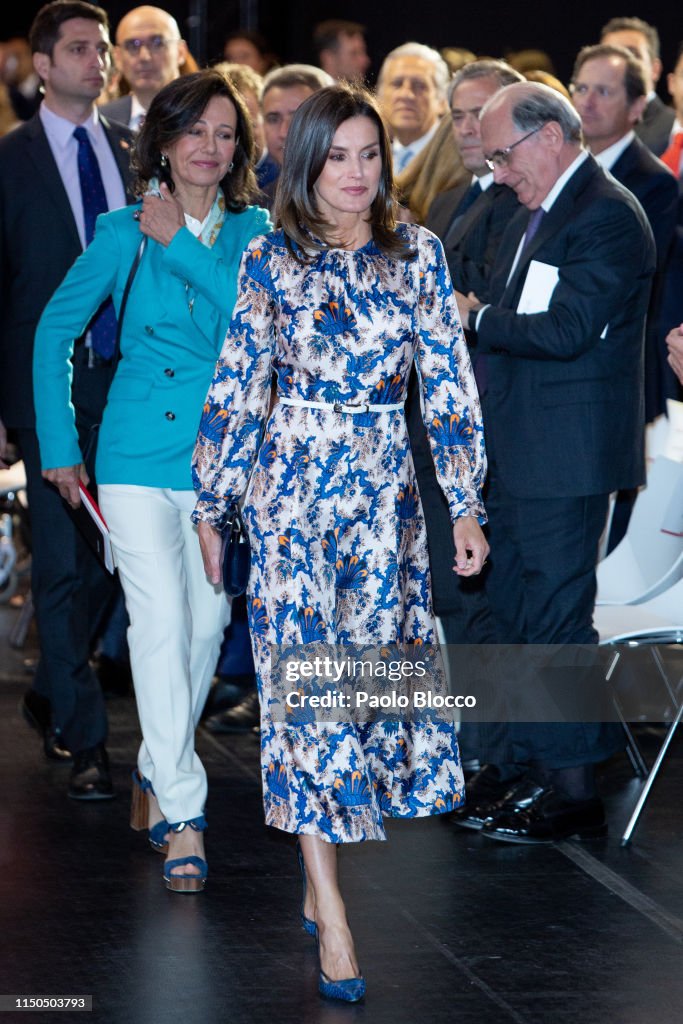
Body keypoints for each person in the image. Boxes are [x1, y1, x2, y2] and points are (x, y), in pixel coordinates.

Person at [192, 82, 487, 1000]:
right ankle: (334, 911)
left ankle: (321, 879)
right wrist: (213, 506)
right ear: (305, 162)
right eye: (338, 157)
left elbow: (446, 385)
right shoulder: (269, 259)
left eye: (370, 156)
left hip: (381, 507)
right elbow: (239, 382)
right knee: (307, 698)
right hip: (291, 503)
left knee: (358, 697)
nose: (357, 174)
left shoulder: (420, 255)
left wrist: (465, 503)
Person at [33, 69, 270, 890]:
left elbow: (254, 319)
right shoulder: (118, 228)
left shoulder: (255, 231)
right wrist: (58, 445)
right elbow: (52, 333)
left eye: (226, 133)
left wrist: (179, 245)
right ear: (162, 141)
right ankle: (184, 813)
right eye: (196, 131)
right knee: (161, 622)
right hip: (132, 454)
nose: (211, 147)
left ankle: (156, 767)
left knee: (207, 626)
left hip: (222, 461)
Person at [455, 82, 656, 842]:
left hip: (564, 457)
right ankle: (535, 771)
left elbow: (567, 328)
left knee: (553, 621)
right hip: (514, 448)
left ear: (548, 137)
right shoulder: (525, 211)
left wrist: (478, 317)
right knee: (512, 614)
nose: (499, 171)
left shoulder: (605, 214)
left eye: (504, 154)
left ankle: (573, 790)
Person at [0, 0, 134, 795]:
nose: (97, 60)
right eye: (79, 49)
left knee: (107, 565)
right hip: (41, 384)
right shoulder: (9, 159)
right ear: (43, 65)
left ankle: (56, 690)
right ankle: (86, 743)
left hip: (123, 382)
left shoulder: (128, 149)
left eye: (102, 47)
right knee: (57, 562)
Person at [100, 6, 188, 130]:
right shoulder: (100, 122)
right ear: (118, 57)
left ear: (181, 52)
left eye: (157, 43)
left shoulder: (207, 114)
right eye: (132, 45)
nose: (144, 57)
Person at [600, 16, 674, 156]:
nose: (618, 64)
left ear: (655, 69)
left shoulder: (674, 129)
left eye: (632, 55)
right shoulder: (585, 126)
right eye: (609, 55)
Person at [377, 42, 449, 174]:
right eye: (397, 84)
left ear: (442, 101)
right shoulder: (374, 161)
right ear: (380, 96)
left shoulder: (456, 162)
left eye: (419, 85)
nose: (406, 94)